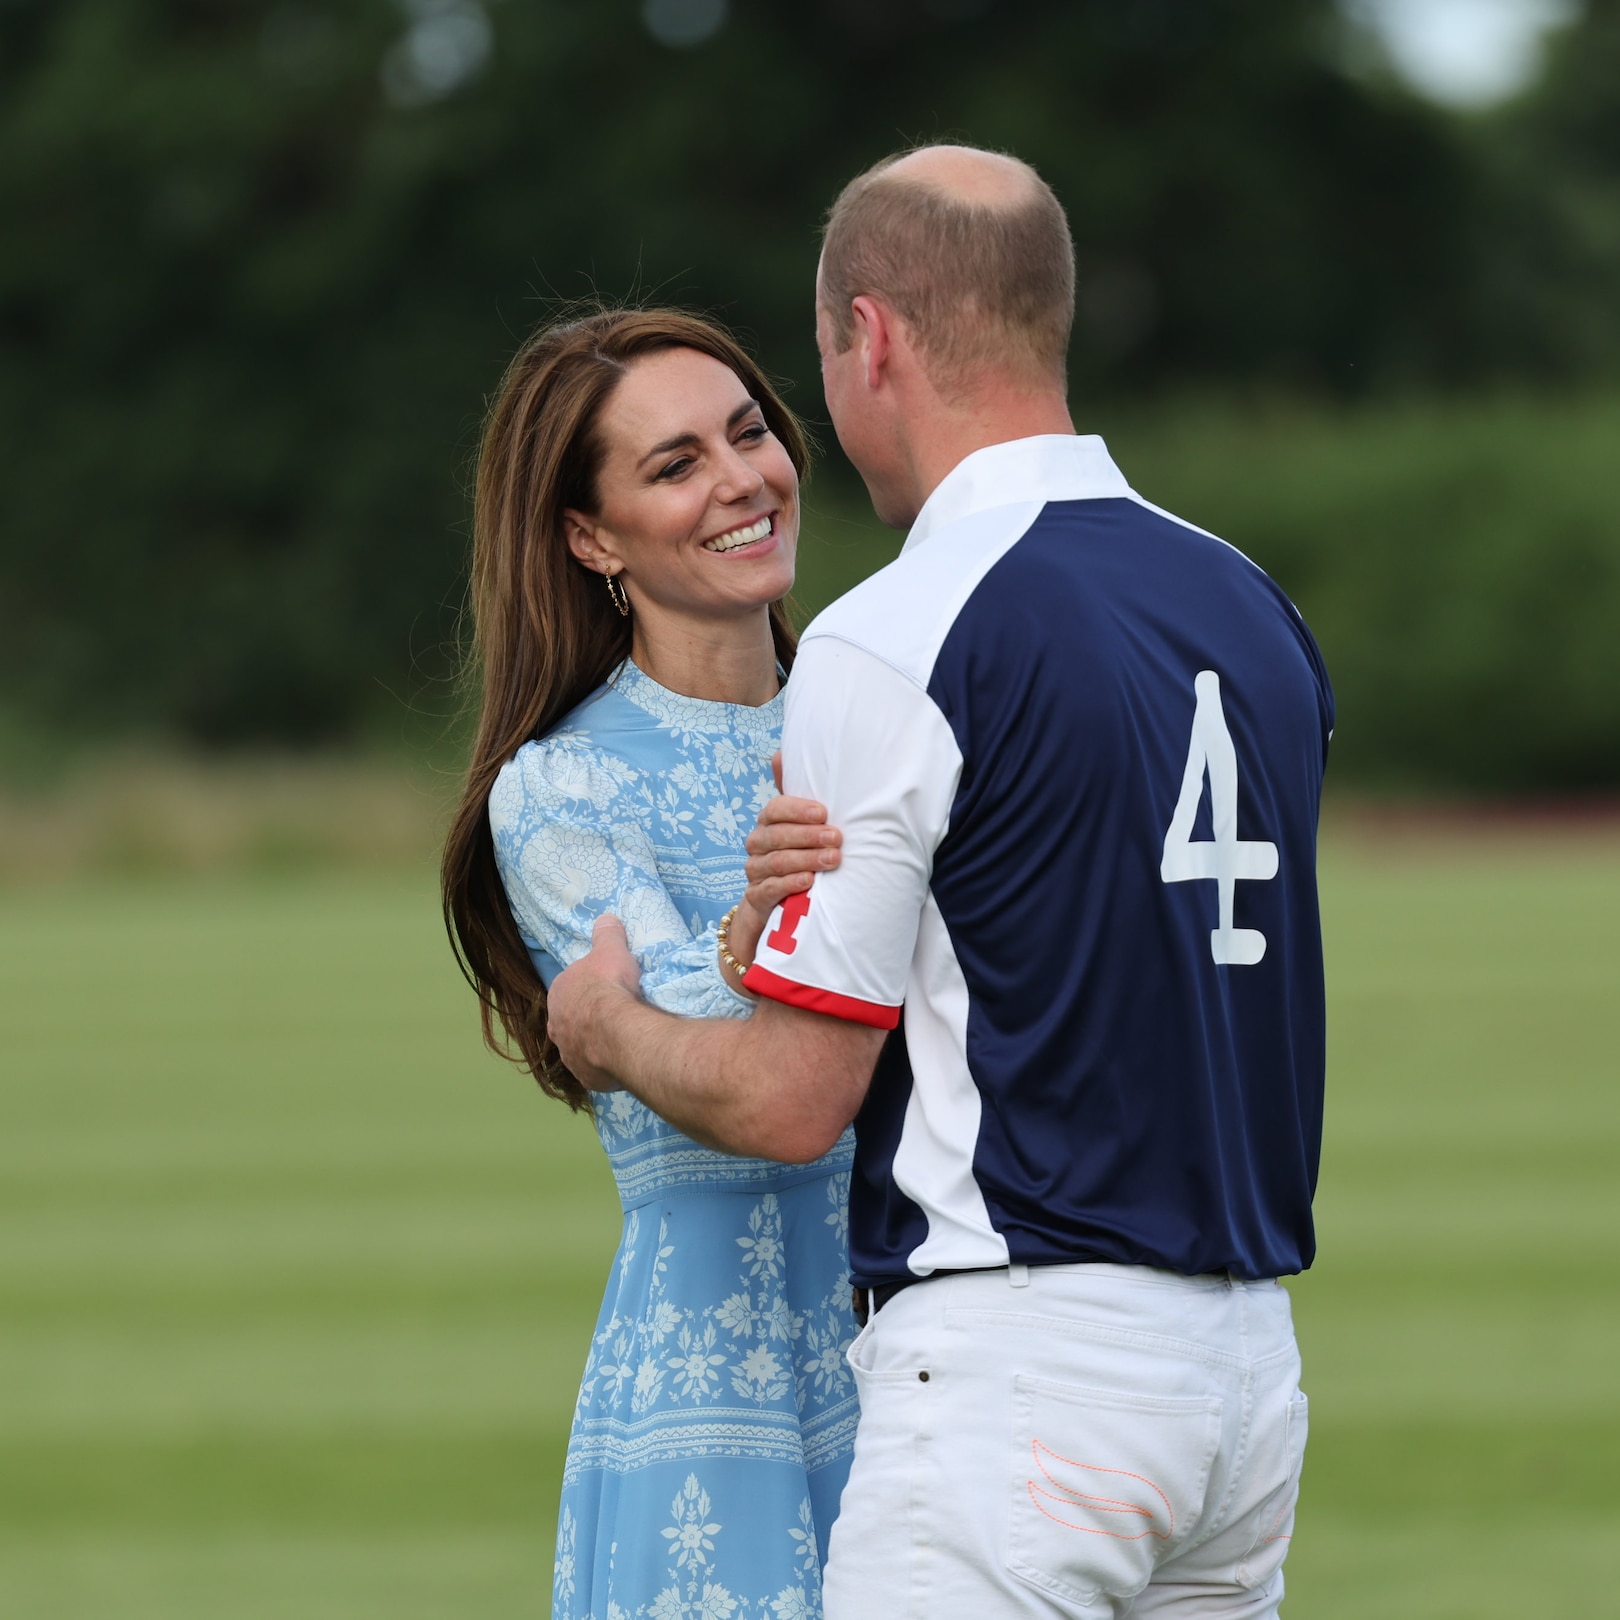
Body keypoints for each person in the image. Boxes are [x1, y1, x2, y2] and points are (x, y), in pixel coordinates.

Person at [547, 145, 1335, 1620]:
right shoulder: (1251, 601)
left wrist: (607, 1026)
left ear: (871, 339)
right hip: (1246, 1385)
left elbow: (793, 1099)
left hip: (1021, 1379)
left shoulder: (895, 630)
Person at [440, 308, 860, 1620]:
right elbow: (636, 1019)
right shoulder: (561, 786)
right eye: (676, 464)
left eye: (749, 434)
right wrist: (750, 931)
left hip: (933, 1348)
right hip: (706, 1384)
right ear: (591, 538)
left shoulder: (885, 712)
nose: (740, 479)